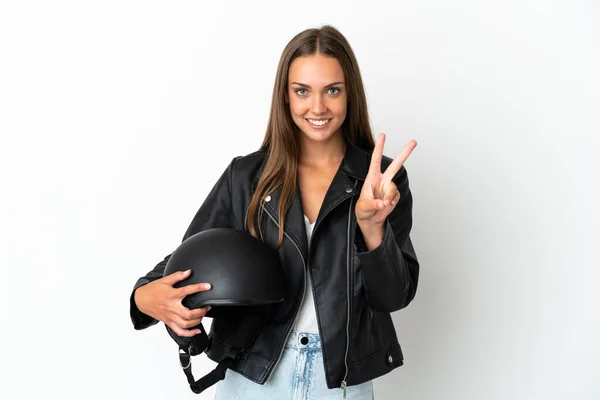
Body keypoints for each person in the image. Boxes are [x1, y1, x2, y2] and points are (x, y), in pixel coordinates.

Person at [130, 25, 419, 399]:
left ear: (350, 95)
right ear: (285, 96)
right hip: (255, 375)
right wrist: (144, 299)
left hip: (340, 384)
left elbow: (392, 297)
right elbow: (187, 262)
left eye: (332, 90)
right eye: (302, 91)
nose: (318, 107)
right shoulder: (247, 177)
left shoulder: (380, 181)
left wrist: (371, 226)